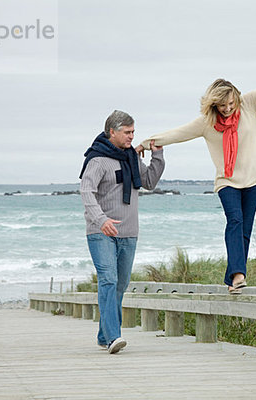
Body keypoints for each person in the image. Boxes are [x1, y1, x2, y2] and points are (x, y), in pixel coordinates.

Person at [137, 51, 256, 294]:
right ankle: (238, 274)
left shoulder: (249, 104)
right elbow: (178, 132)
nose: (228, 109)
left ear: (236, 98)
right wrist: (146, 142)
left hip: (254, 179)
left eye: (231, 104)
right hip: (227, 181)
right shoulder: (206, 122)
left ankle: (233, 279)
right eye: (223, 105)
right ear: (214, 104)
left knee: (245, 229)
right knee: (234, 221)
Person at [80, 110, 165, 353]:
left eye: (133, 132)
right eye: (127, 132)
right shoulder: (97, 160)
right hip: (101, 232)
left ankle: (103, 334)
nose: (131, 137)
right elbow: (87, 192)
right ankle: (113, 337)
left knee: (120, 285)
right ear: (112, 132)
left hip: (129, 232)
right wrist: (101, 219)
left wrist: (157, 156)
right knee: (108, 280)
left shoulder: (131, 157)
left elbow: (148, 181)